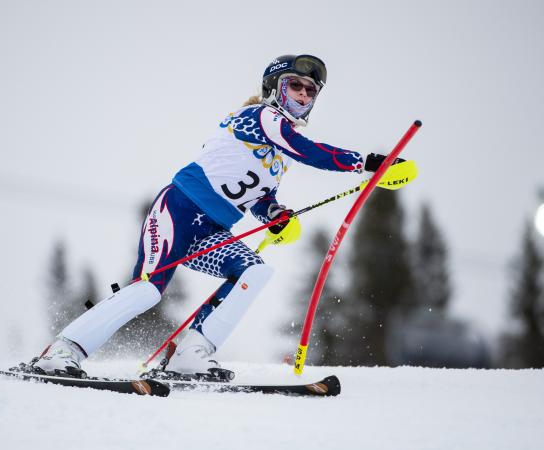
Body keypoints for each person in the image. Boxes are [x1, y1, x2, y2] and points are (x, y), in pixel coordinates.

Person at [29, 54, 388, 378]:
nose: (304, 95)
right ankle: (62, 351)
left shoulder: (280, 155)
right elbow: (307, 150)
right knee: (148, 290)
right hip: (178, 210)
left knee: (254, 271)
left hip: (212, 229)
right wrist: (366, 163)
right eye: (295, 84)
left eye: (311, 90)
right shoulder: (261, 117)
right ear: (274, 88)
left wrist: (274, 213)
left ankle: (192, 353)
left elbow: (260, 196)